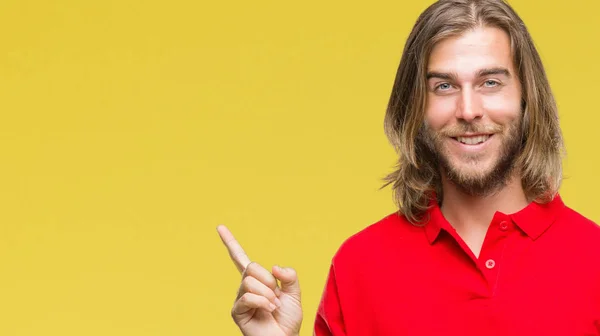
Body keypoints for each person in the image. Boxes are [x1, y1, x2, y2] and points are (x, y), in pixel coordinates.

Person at [217, 0, 600, 334]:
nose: (468, 110)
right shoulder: (360, 267)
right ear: (415, 107)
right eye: (444, 87)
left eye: (490, 82)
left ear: (526, 99)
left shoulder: (593, 259)